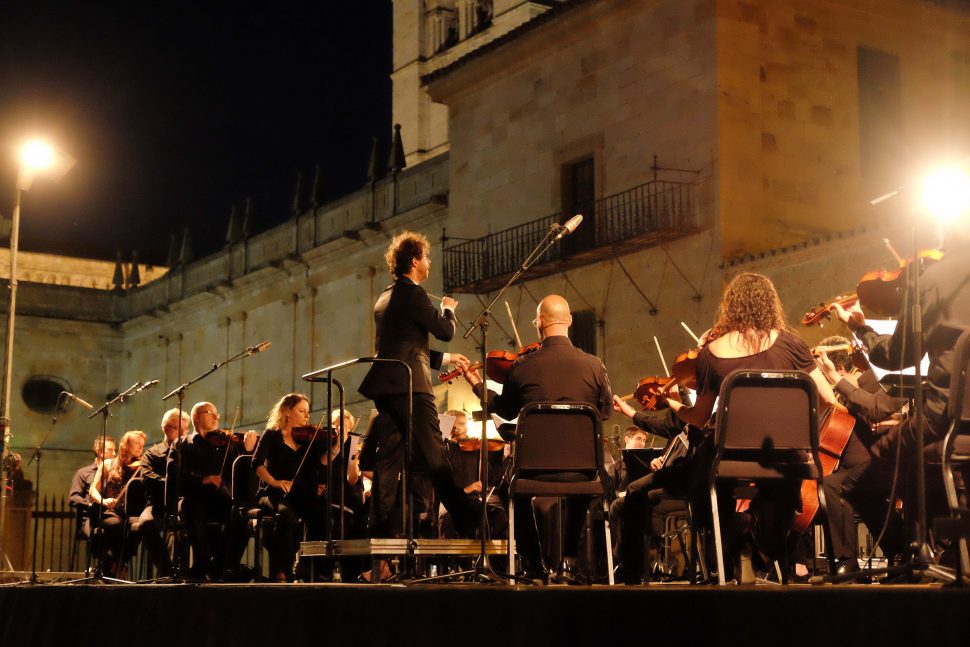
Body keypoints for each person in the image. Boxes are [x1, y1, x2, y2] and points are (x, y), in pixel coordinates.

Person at [664, 272, 838, 579]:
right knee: (782, 488)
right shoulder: (792, 344)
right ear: (771, 305)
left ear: (730, 306)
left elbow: (701, 417)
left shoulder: (711, 353)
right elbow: (826, 398)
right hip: (783, 455)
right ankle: (761, 544)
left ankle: (734, 535)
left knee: (702, 484)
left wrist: (676, 406)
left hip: (729, 456)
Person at [824, 217, 970, 565]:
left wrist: (861, 329)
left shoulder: (932, 280)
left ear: (944, 233)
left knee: (876, 466)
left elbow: (899, 355)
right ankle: (940, 550)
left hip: (942, 418)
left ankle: (919, 554)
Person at [461, 294, 612, 582]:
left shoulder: (523, 366)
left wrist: (477, 385)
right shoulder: (595, 365)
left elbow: (503, 410)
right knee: (583, 485)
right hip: (583, 471)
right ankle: (568, 561)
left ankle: (534, 563)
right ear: (568, 321)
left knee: (508, 491)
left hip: (534, 471)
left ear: (539, 323)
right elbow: (603, 413)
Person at [358, 230, 475, 538]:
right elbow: (445, 330)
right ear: (414, 261)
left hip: (387, 384)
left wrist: (448, 359)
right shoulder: (414, 293)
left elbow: (405, 344)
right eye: (426, 257)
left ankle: (379, 528)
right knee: (435, 451)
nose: (429, 262)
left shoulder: (386, 295)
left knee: (389, 456)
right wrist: (449, 309)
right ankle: (467, 517)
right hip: (411, 385)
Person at [813, 336, 908, 573]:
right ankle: (901, 550)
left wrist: (837, 380)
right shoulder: (868, 380)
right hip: (875, 462)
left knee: (835, 486)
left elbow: (876, 409)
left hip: (896, 459)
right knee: (858, 492)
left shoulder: (875, 380)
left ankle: (848, 562)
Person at [174, 401, 257, 579]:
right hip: (195, 498)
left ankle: (223, 566)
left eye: (217, 413)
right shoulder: (181, 444)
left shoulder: (227, 443)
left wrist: (248, 450)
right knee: (190, 508)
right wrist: (203, 479)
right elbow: (176, 473)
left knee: (243, 517)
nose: (216, 417)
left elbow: (239, 473)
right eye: (210, 412)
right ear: (196, 417)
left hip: (221, 499)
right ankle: (205, 564)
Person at [251, 393, 328, 581]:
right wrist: (275, 482)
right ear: (287, 412)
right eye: (301, 411)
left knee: (322, 516)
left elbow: (320, 467)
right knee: (285, 516)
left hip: (299, 495)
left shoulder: (309, 440)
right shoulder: (272, 434)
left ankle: (306, 564)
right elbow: (257, 463)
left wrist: (333, 449)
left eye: (307, 412)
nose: (306, 416)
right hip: (273, 493)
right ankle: (282, 569)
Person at [137, 408, 191, 577]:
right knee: (145, 523)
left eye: (185, 429)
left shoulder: (190, 451)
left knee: (184, 525)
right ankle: (165, 570)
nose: (182, 433)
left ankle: (188, 572)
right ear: (165, 428)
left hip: (182, 502)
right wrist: (173, 483)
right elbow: (147, 477)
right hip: (158, 503)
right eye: (177, 428)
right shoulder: (152, 453)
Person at [439, 409, 508, 539]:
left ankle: (486, 556)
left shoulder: (473, 448)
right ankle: (449, 558)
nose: (464, 428)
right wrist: (466, 489)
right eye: (460, 424)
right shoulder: (444, 451)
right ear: (451, 426)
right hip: (451, 503)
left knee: (499, 515)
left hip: (473, 502)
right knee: (449, 519)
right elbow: (442, 485)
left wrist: (502, 455)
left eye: (465, 423)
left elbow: (494, 479)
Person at [89, 430, 147, 578]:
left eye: (142, 444)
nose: (141, 447)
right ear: (126, 445)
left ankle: (118, 563)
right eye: (137, 444)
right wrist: (103, 500)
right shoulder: (107, 464)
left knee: (139, 527)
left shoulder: (141, 466)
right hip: (111, 511)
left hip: (131, 512)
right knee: (115, 525)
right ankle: (119, 565)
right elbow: (93, 491)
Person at [68, 436, 116, 552]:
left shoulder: (115, 472)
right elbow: (73, 497)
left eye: (115, 450)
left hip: (108, 516)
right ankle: (105, 564)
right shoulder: (83, 473)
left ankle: (109, 564)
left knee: (118, 532)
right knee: (98, 535)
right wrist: (91, 504)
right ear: (99, 451)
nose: (114, 454)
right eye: (110, 450)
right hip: (88, 518)